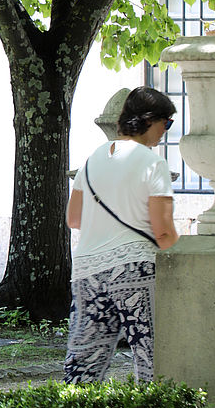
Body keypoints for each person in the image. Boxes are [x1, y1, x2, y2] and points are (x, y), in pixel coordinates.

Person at [64, 86, 179, 384]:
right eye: (167, 123)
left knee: (84, 362)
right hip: (135, 269)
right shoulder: (154, 163)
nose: (166, 132)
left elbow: (73, 218)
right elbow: (164, 231)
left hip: (88, 270)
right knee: (152, 357)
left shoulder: (91, 160)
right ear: (150, 120)